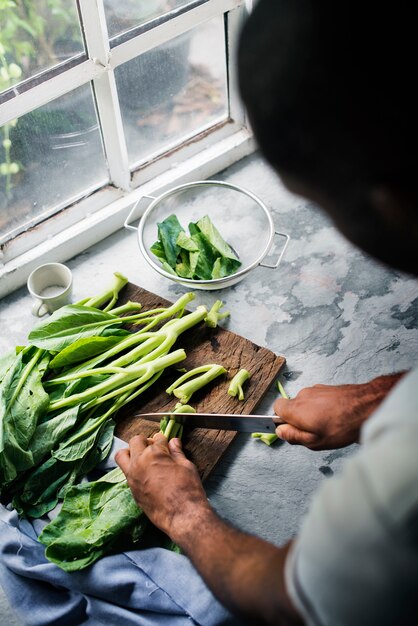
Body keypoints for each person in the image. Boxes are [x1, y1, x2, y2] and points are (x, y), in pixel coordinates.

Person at [116, 2, 418, 625]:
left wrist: (181, 511)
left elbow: (292, 600)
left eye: (322, 202)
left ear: (388, 201)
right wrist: (372, 400)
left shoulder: (401, 480)